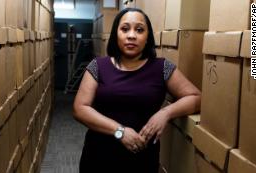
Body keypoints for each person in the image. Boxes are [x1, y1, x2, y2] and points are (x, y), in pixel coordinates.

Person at [73, 8, 201, 173]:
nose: (131, 35)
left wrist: (166, 113)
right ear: (116, 34)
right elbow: (79, 109)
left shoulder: (162, 67)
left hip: (142, 159)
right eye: (125, 29)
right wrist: (119, 131)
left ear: (147, 37)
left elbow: (197, 97)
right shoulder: (98, 66)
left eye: (139, 30)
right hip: (99, 158)